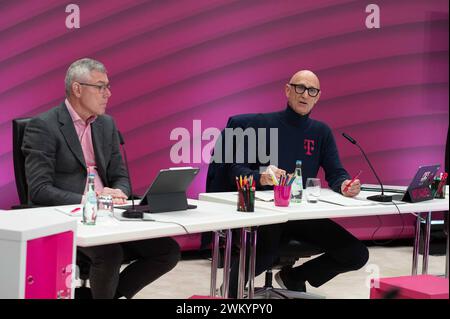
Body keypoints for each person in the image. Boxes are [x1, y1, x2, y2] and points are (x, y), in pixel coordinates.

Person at [22, 58, 180, 299]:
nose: (108, 93)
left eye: (108, 86)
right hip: (69, 219)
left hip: (110, 217)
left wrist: (119, 192)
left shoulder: (106, 124)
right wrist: (91, 199)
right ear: (77, 88)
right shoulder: (43, 126)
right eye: (100, 87)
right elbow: (40, 190)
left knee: (167, 250)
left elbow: (121, 176)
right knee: (110, 254)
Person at [213, 70, 369, 297]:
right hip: (267, 213)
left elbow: (336, 173)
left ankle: (294, 276)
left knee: (356, 254)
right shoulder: (260, 125)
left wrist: (345, 184)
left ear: (318, 96)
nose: (305, 94)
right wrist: (262, 177)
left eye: (312, 90)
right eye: (300, 88)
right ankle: (230, 291)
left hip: (301, 213)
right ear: (288, 90)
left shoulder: (321, 132)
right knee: (265, 254)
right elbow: (235, 171)